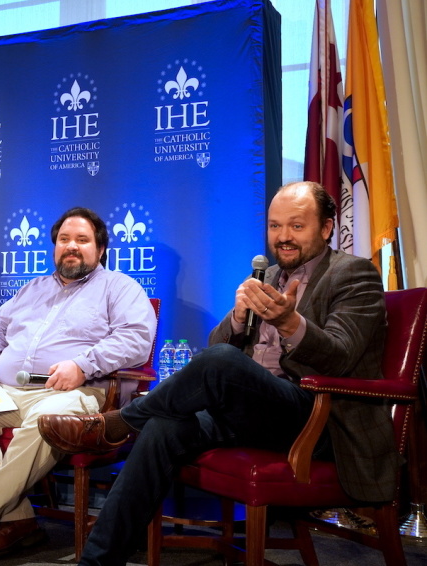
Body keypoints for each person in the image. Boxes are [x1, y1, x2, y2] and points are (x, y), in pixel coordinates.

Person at [37, 181, 399, 566]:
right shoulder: (269, 275)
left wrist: (290, 323)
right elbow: (217, 345)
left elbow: (340, 357)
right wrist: (240, 317)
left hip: (317, 417)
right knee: (164, 428)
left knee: (222, 361)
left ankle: (119, 423)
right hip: (257, 412)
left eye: (296, 226)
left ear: (326, 228)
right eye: (275, 227)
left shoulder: (354, 274)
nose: (283, 237)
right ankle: (97, 561)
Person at [0, 207, 157, 560]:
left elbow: (136, 340)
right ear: (54, 248)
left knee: (45, 421)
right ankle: (19, 520)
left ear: (100, 250)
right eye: (64, 240)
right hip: (8, 391)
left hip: (76, 393)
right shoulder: (32, 288)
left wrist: (83, 366)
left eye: (82, 240)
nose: (72, 246)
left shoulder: (120, 288)